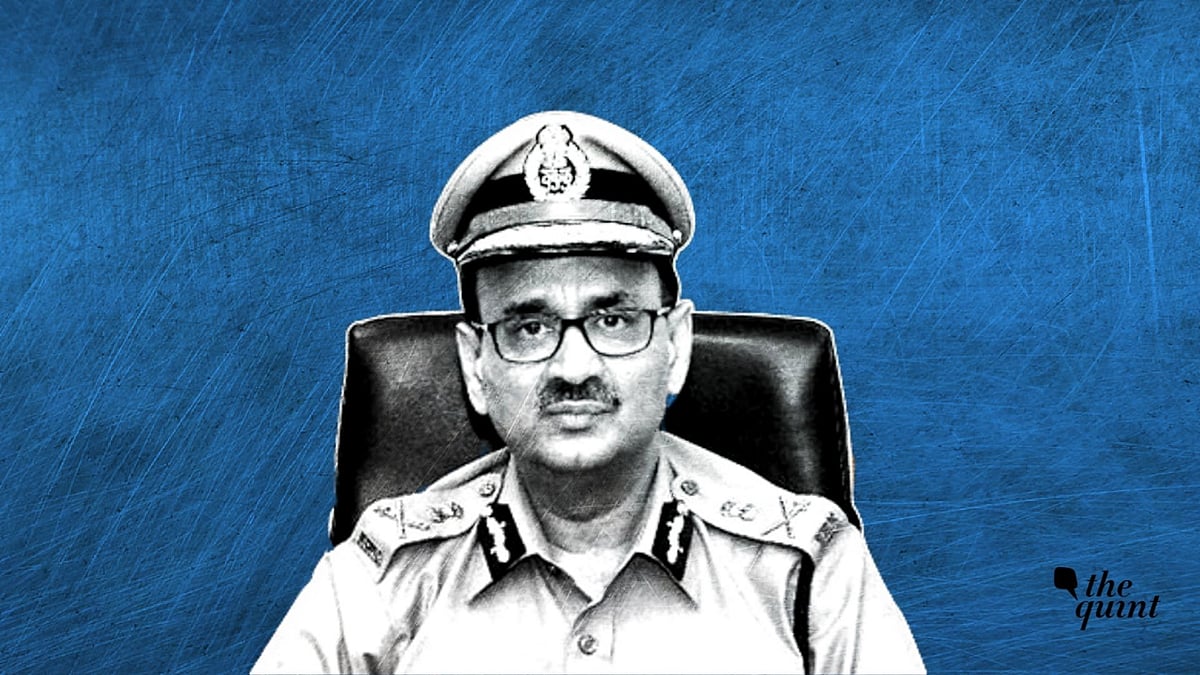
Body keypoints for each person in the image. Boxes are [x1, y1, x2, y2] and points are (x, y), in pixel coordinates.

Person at [254, 111, 924, 674]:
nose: (574, 366)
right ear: (475, 364)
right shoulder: (382, 577)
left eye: (613, 320)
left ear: (676, 345)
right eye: (529, 326)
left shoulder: (806, 568)